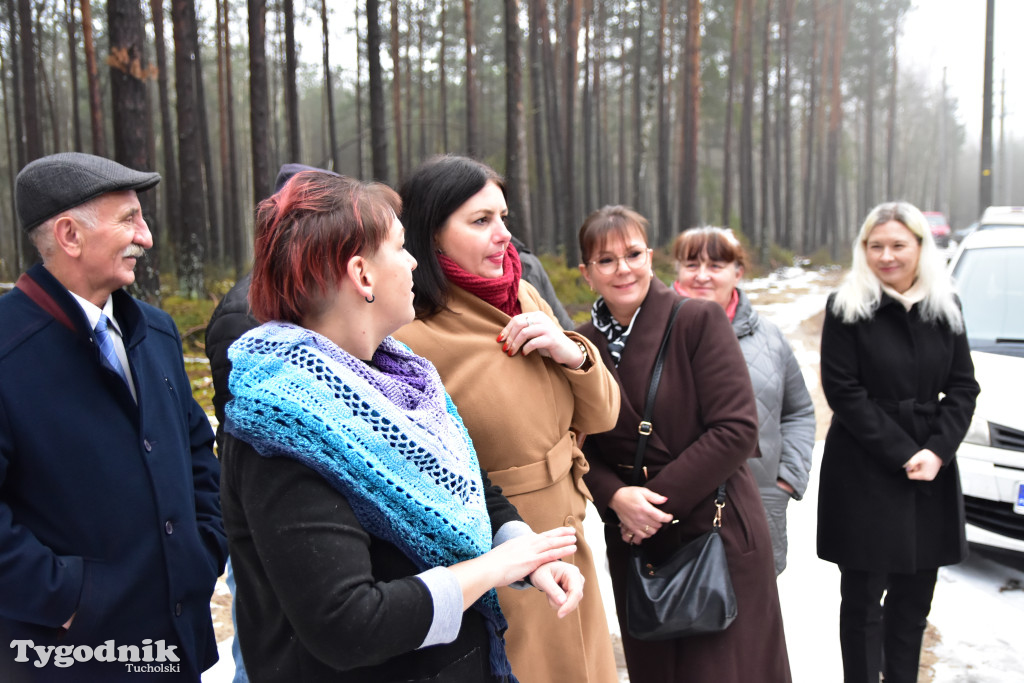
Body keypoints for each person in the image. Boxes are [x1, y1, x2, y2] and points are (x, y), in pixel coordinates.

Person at [220, 170, 586, 682]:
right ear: (362, 276)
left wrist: (521, 551)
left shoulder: (400, 375)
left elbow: (465, 482)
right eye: (400, 247)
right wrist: (492, 569)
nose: (415, 260)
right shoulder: (283, 424)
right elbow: (349, 624)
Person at [0, 152, 227, 681]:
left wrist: (204, 546)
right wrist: (68, 598)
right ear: (69, 235)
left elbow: (196, 449)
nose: (145, 237)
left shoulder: (157, 331)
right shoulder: (8, 353)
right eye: (129, 219)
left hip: (175, 650)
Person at [395, 155, 620, 683]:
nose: (504, 237)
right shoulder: (410, 335)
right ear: (431, 236)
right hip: (502, 569)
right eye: (480, 221)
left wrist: (572, 353)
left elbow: (605, 415)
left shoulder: (524, 295)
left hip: (572, 550)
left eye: (503, 217)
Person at [575, 205, 791, 683]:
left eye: (632, 253)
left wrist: (650, 507)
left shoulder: (697, 320)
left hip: (713, 527)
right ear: (587, 274)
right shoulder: (581, 346)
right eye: (605, 260)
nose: (623, 268)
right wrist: (615, 498)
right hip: (635, 541)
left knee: (725, 670)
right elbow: (576, 445)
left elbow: (736, 430)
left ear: (650, 258)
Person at [817, 201, 979, 683]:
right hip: (864, 470)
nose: (886, 256)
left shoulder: (946, 303)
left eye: (897, 245)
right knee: (864, 602)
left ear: (920, 248)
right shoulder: (847, 306)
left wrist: (936, 450)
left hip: (930, 472)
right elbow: (843, 391)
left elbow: (963, 386)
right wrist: (903, 452)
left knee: (913, 602)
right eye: (875, 246)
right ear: (863, 249)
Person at [207, 163, 333, 683]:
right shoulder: (247, 311)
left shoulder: (318, 299)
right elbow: (255, 429)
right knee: (265, 645)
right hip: (268, 516)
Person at [672, 226, 815, 576]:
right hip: (673, 514)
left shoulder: (770, 338)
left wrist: (785, 483)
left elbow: (799, 411)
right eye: (692, 264)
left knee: (753, 621)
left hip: (758, 506)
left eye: (716, 265)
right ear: (676, 269)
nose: (702, 275)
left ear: (738, 272)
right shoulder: (650, 330)